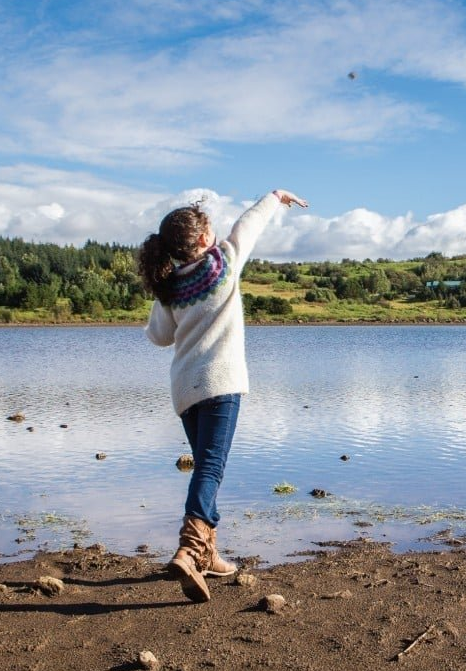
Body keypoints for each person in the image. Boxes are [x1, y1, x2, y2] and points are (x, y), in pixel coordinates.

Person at [137, 188, 308, 602]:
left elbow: (158, 337)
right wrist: (274, 198)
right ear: (201, 240)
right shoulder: (225, 262)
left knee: (205, 469)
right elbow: (248, 225)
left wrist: (168, 297)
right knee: (210, 469)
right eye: (209, 227)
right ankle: (190, 548)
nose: (215, 231)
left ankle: (209, 554)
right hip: (221, 384)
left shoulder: (170, 285)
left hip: (184, 390)